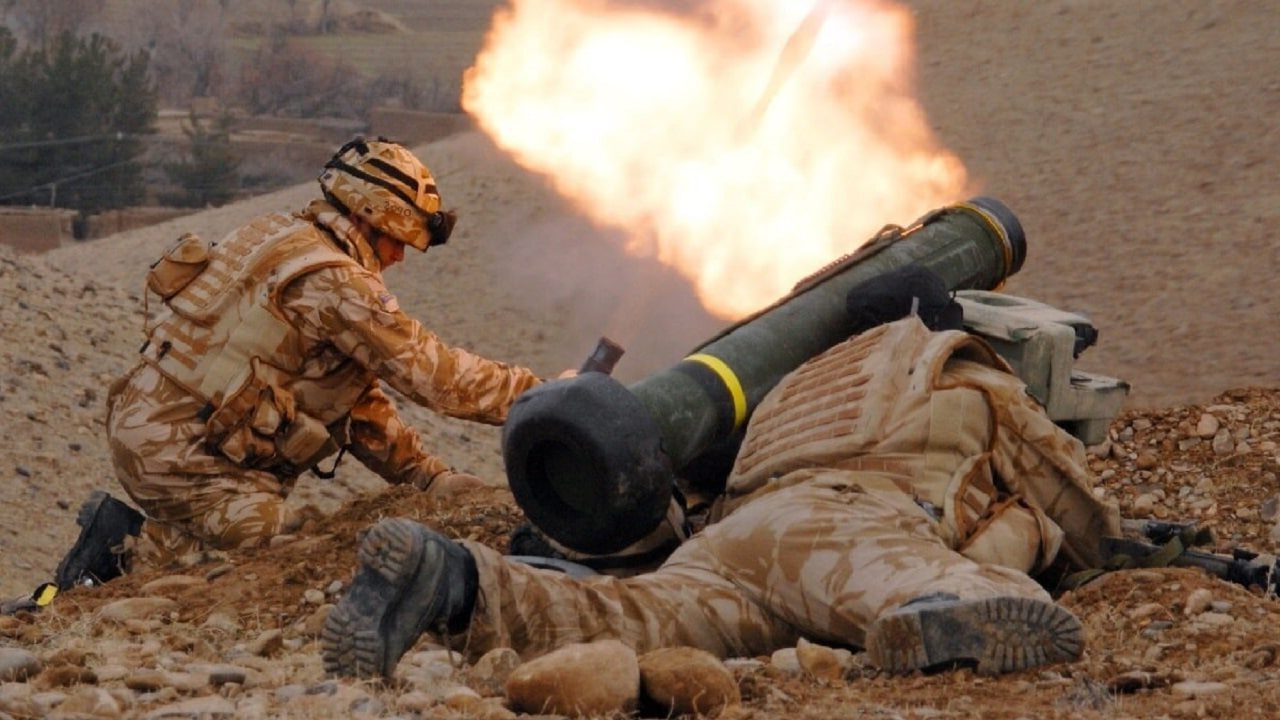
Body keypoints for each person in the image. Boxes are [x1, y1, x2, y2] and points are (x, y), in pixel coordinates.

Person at [319, 267, 1122, 678]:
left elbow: (693, 492)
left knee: (627, 621)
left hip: (732, 540)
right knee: (970, 592)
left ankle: (454, 580)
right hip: (849, 523)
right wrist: (1114, 549)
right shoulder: (958, 371)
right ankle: (940, 613)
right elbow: (1066, 492)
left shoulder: (792, 389)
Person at [55, 137, 549, 589]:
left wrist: (424, 475)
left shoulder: (274, 234)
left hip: (147, 427)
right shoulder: (338, 284)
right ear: (367, 218)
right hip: (189, 464)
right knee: (293, 557)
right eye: (397, 240)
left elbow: (348, 395)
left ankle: (123, 547)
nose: (399, 257)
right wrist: (544, 396)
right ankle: (123, 560)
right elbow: (438, 379)